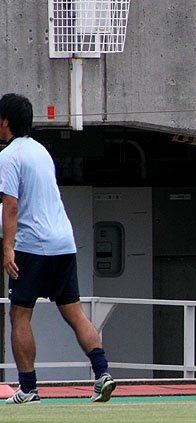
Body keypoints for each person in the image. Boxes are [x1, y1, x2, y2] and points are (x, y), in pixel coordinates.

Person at [0, 93, 116, 404]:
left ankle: (28, 388)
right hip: (63, 242)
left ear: (5, 121)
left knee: (20, 315)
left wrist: (8, 249)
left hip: (32, 246)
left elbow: (11, 205)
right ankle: (102, 372)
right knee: (74, 311)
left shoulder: (9, 156)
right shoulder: (41, 152)